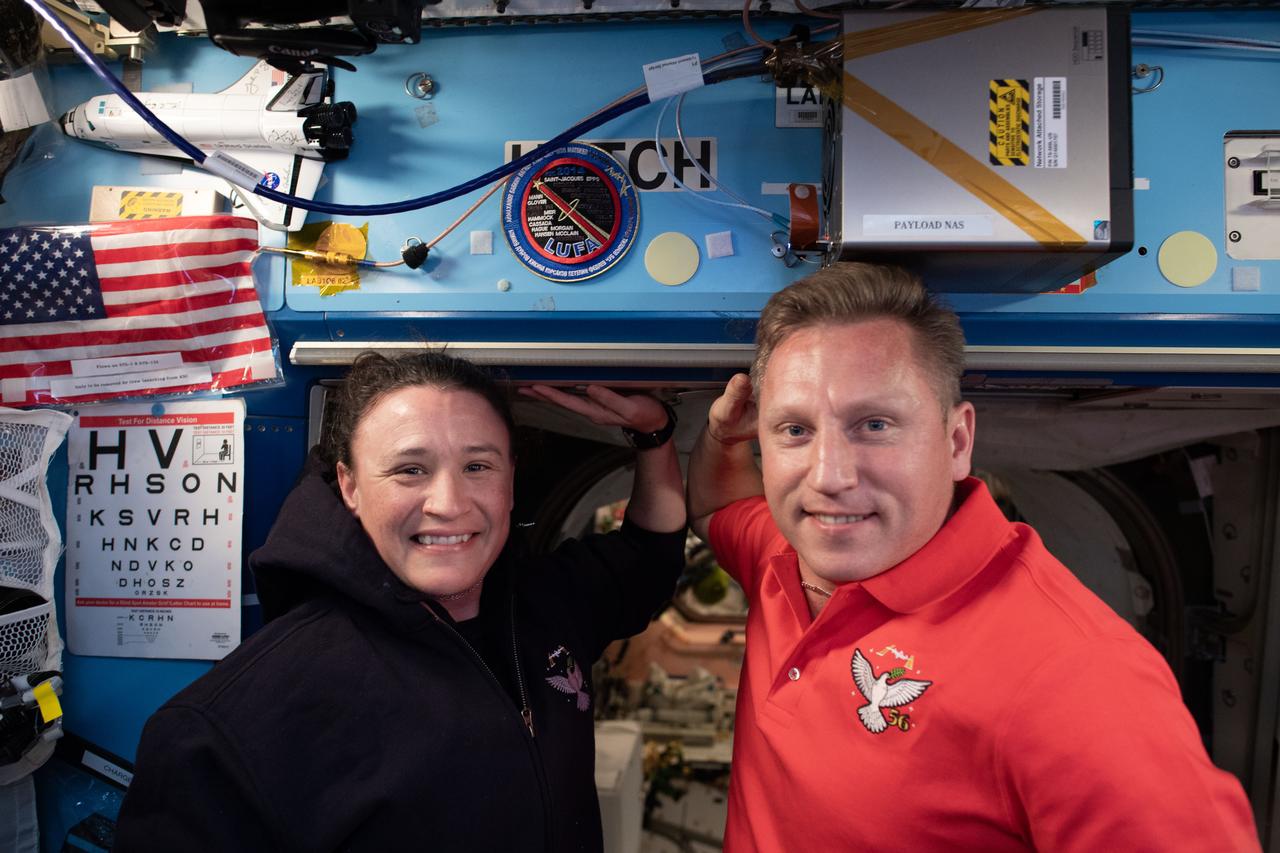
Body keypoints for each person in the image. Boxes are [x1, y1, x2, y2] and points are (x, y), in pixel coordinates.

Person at [687, 262, 1260, 852]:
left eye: (875, 425)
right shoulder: (783, 558)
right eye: (794, 430)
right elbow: (714, 508)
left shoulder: (1074, 676)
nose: (828, 477)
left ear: (957, 441)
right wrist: (721, 437)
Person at [114, 351, 687, 852]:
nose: (449, 503)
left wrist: (655, 436)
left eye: (477, 466)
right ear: (350, 486)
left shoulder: (545, 604)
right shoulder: (226, 730)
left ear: (511, 480)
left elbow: (650, 558)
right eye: (410, 470)